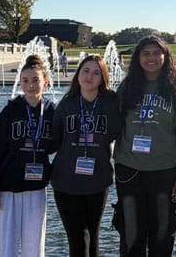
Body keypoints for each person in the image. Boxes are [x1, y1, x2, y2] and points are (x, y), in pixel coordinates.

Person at [113, 36, 176, 256]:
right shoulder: (127, 87)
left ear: (166, 57)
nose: (151, 58)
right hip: (129, 170)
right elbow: (112, 124)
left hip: (164, 172)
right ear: (138, 57)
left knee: (162, 235)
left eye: (157, 53)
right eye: (145, 53)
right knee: (131, 235)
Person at [0, 54, 55, 257]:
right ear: (20, 83)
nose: (30, 85)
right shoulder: (9, 113)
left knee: (34, 247)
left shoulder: (52, 112)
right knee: (7, 247)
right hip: (7, 189)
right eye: (25, 81)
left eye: (36, 80)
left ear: (45, 82)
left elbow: (59, 146)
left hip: (36, 188)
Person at [51, 54, 123, 257]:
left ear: (102, 78)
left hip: (97, 181)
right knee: (78, 239)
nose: (89, 76)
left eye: (96, 73)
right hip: (66, 181)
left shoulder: (111, 104)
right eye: (85, 70)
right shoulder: (67, 104)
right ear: (78, 74)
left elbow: (117, 132)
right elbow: (54, 140)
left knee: (92, 237)